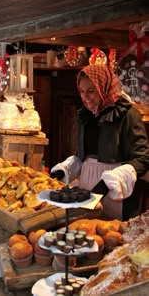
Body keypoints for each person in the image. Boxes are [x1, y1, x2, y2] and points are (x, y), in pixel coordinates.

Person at [50, 64, 149, 221]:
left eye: (90, 91)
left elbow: (143, 159)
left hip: (115, 191)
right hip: (86, 187)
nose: (85, 97)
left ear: (104, 87)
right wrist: (65, 170)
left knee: (110, 236)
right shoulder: (85, 115)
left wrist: (109, 182)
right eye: (81, 92)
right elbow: (83, 155)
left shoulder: (128, 115)